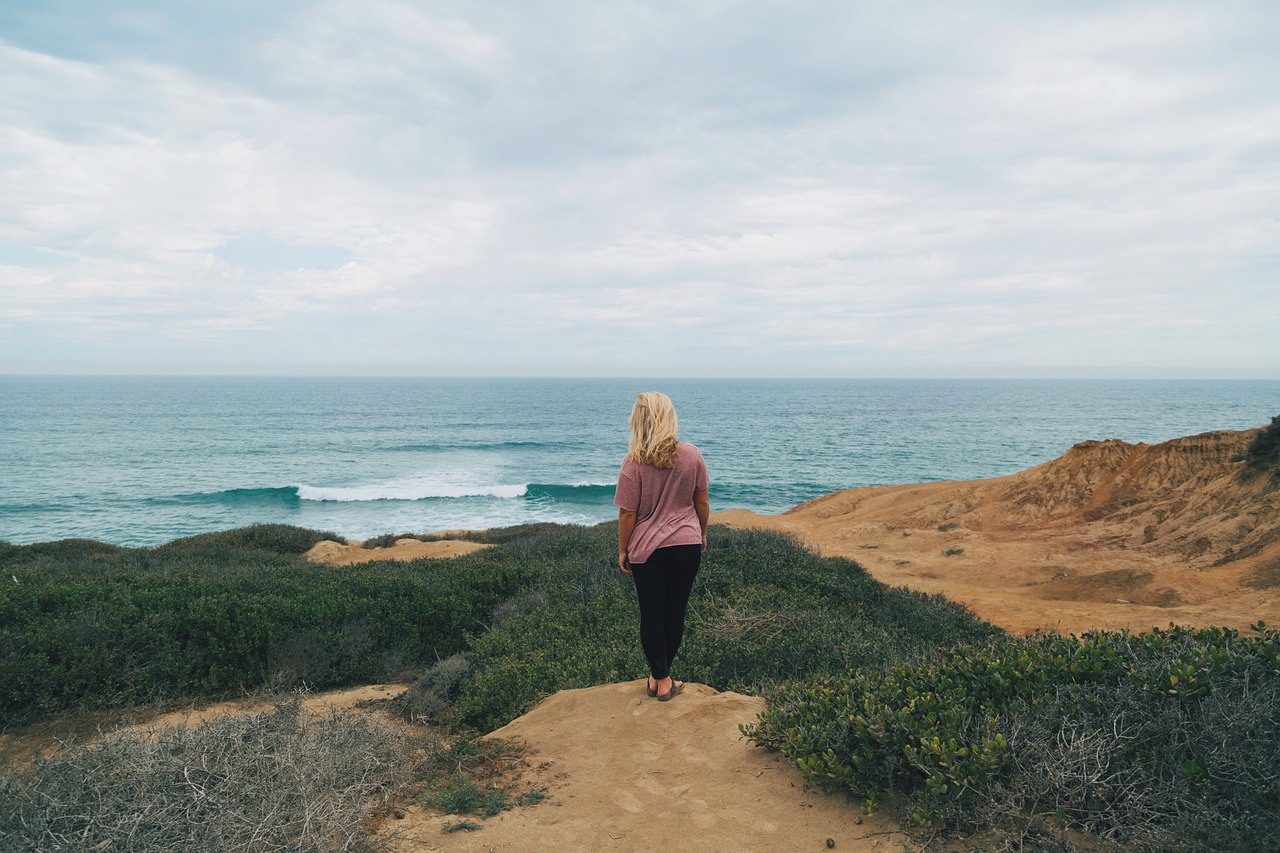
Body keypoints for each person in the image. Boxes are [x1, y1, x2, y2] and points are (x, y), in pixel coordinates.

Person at [614, 392, 710, 702]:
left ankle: (661, 678)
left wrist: (623, 549)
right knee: (675, 614)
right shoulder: (692, 455)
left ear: (637, 421)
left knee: (652, 615)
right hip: (686, 543)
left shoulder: (633, 462)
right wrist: (702, 533)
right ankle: (662, 677)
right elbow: (702, 501)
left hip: (647, 550)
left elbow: (628, 513)